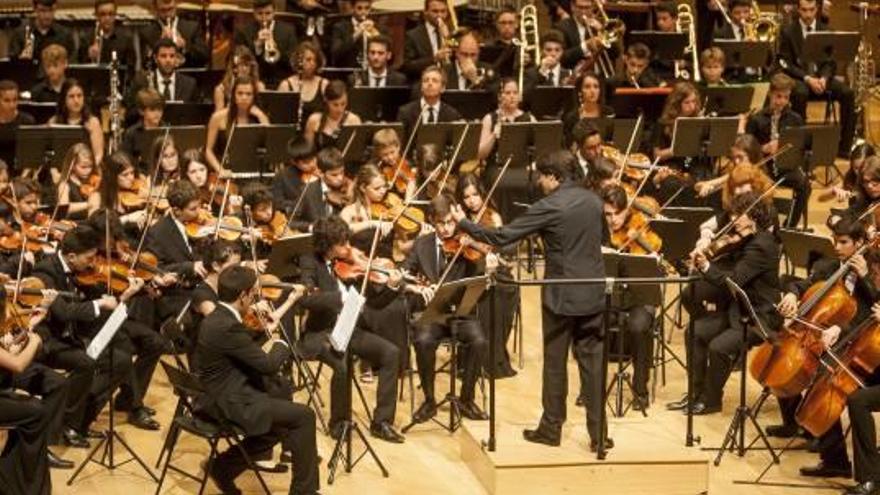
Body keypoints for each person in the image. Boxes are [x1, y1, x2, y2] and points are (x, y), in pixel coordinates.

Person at [451, 150, 611, 452]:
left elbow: (503, 236)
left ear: (554, 177)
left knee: (555, 364)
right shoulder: (594, 200)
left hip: (561, 295)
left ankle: (551, 429)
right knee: (593, 366)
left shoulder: (549, 205)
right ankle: (598, 434)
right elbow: (604, 240)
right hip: (592, 292)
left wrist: (464, 223)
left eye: (541, 175)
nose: (538, 181)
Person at [193, 265, 319, 495]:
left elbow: (242, 348)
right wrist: (281, 341)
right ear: (242, 295)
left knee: (281, 423)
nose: (255, 299)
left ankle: (222, 468)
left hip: (216, 395)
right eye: (253, 293)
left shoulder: (219, 317)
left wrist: (266, 332)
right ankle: (304, 492)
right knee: (304, 416)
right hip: (229, 403)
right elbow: (269, 365)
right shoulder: (227, 326)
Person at [296, 215, 406, 442]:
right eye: (342, 244)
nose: (348, 247)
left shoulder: (350, 266)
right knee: (343, 363)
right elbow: (306, 299)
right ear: (327, 244)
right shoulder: (310, 262)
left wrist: (392, 286)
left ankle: (382, 422)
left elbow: (375, 303)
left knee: (390, 353)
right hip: (320, 333)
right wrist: (341, 297)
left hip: (348, 329)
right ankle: (339, 423)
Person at [686, 192, 783, 415]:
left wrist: (707, 267)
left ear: (754, 215)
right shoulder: (749, 239)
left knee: (718, 347)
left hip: (758, 316)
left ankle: (711, 400)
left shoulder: (762, 245)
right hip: (736, 311)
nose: (733, 219)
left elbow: (735, 280)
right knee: (695, 332)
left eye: (738, 214)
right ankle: (695, 394)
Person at [403, 195, 491, 423]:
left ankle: (466, 399)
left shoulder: (467, 242)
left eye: (451, 222)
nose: (447, 228)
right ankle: (430, 400)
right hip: (432, 315)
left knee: (479, 341)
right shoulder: (422, 244)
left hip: (462, 313)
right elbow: (404, 273)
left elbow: (481, 271)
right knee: (422, 341)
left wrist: (484, 260)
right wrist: (415, 287)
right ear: (432, 221)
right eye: (441, 223)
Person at [776, 0, 855, 156]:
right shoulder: (788, 31)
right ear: (798, 10)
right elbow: (786, 63)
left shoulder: (826, 30)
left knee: (848, 93)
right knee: (800, 93)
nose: (808, 14)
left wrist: (824, 78)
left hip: (822, 79)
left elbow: (830, 62)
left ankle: (844, 147)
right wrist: (807, 78)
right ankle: (801, 147)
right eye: (804, 10)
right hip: (800, 79)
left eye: (811, 10)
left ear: (817, 9)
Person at [746, 72, 810, 228]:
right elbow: (747, 149)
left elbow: (802, 146)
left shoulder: (795, 119)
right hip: (763, 167)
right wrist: (764, 148)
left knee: (805, 185)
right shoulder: (757, 119)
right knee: (763, 189)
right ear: (770, 94)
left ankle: (789, 226)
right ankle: (770, 226)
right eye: (778, 96)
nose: (782, 101)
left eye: (786, 97)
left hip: (785, 166)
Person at [205, 75, 270, 174]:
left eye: (249, 94)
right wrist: (220, 170)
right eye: (240, 93)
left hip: (253, 170)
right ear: (233, 95)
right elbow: (208, 151)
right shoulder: (218, 117)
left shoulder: (259, 117)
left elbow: (271, 145)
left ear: (254, 96)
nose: (244, 97)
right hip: (227, 170)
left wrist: (261, 116)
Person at [233, 0, 298, 87]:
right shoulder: (244, 32)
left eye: (268, 13)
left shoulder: (288, 30)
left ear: (274, 12)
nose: (264, 18)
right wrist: (257, 46)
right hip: (254, 81)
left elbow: (293, 61)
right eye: (260, 13)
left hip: (282, 80)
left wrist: (276, 49)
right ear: (254, 13)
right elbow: (240, 60)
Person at [48, 78, 105, 166]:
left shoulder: (93, 122)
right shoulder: (53, 122)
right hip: (59, 170)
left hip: (86, 170)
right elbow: (49, 153)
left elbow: (98, 155)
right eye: (71, 96)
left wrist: (88, 170)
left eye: (79, 96)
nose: (76, 100)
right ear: (64, 99)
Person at [397, 66, 463, 138]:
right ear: (421, 87)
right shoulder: (405, 112)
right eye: (426, 80)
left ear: (443, 88)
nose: (429, 83)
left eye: (435, 81)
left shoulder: (452, 115)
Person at [139, 0, 209, 68]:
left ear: (176, 5)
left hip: (187, 75)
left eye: (170, 9)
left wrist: (185, 46)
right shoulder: (146, 32)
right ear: (155, 9)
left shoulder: (192, 27)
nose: (167, 14)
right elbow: (146, 64)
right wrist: (159, 44)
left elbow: (204, 56)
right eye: (163, 10)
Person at [277, 41, 329, 124]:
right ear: (299, 61)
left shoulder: (324, 84)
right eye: (308, 60)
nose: (312, 63)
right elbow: (279, 116)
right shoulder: (286, 85)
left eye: (315, 60)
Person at [8, 0, 75, 62]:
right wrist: (22, 61)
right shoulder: (20, 34)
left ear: (55, 8)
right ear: (35, 9)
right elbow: (11, 68)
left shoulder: (65, 35)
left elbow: (72, 66)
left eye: (51, 10)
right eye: (42, 11)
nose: (47, 16)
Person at [303, 80, 362, 150]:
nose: (340, 109)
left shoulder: (353, 120)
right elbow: (307, 151)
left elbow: (357, 150)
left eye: (343, 104)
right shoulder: (314, 120)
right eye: (335, 105)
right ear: (326, 101)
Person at [401, 0, 453, 80]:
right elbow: (408, 67)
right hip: (423, 83)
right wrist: (434, 59)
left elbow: (457, 57)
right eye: (435, 11)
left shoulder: (451, 33)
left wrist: (448, 37)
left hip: (447, 82)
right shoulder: (413, 35)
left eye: (443, 11)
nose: (440, 15)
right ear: (425, 12)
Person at [78, 0, 137, 68]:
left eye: (111, 14)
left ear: (115, 15)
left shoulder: (126, 38)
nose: (107, 18)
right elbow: (79, 66)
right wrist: (88, 56)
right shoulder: (86, 38)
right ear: (96, 16)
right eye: (103, 14)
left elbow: (131, 67)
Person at [120, 88, 166, 168]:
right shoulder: (132, 133)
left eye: (160, 109)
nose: (157, 113)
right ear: (141, 111)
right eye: (152, 110)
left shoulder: (167, 130)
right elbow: (126, 160)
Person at [330, 0, 383, 68]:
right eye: (359, 8)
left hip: (371, 71)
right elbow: (336, 53)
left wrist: (377, 36)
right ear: (352, 8)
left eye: (367, 8)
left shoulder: (379, 28)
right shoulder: (340, 27)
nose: (363, 12)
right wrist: (356, 34)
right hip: (348, 71)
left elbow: (390, 55)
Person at [213, 46, 266, 112]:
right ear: (233, 68)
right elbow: (218, 118)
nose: (244, 69)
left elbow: (263, 114)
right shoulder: (221, 89)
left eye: (246, 65)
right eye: (241, 65)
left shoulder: (259, 86)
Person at [0, 80, 36, 171]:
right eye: (7, 100)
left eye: (15, 100)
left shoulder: (27, 121)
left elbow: (32, 156)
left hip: (21, 174)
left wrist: (23, 179)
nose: (12, 105)